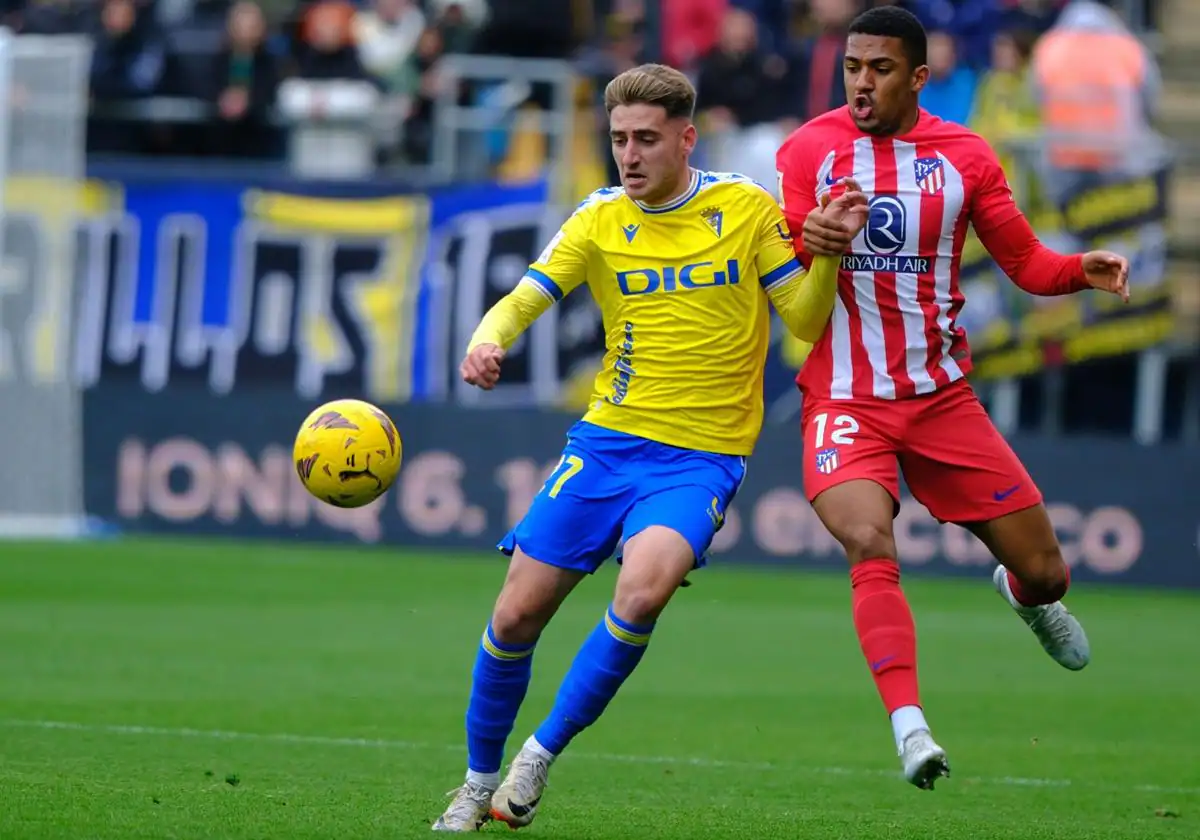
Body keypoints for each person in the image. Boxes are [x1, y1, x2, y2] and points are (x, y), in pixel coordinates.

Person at [433, 62, 868, 832]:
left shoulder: (743, 208)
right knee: (514, 618)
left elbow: (803, 319)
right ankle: (474, 783)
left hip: (700, 458)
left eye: (645, 140)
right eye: (618, 140)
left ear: (685, 138)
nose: (629, 156)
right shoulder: (599, 218)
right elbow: (525, 297)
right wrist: (486, 341)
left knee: (643, 592)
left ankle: (539, 754)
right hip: (606, 445)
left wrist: (827, 253)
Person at [775, 5, 1130, 791]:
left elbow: (1026, 262)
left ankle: (1021, 594)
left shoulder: (965, 157)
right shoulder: (807, 150)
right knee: (870, 545)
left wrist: (1081, 270)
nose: (863, 83)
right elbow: (787, 279)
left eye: (881, 69)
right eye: (853, 68)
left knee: (1049, 574)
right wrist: (814, 244)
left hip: (940, 400)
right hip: (844, 398)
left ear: (919, 76)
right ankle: (911, 729)